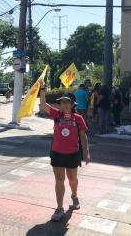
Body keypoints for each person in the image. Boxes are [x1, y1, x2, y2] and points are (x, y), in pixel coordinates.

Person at [39, 79, 90, 221]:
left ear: (73, 104)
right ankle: (59, 208)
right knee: (59, 180)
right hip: (57, 153)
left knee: (72, 179)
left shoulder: (78, 118)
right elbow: (43, 104)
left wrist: (86, 152)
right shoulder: (57, 115)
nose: (64, 105)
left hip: (73, 154)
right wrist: (43, 89)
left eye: (67, 102)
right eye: (62, 102)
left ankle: (74, 195)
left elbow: (83, 136)